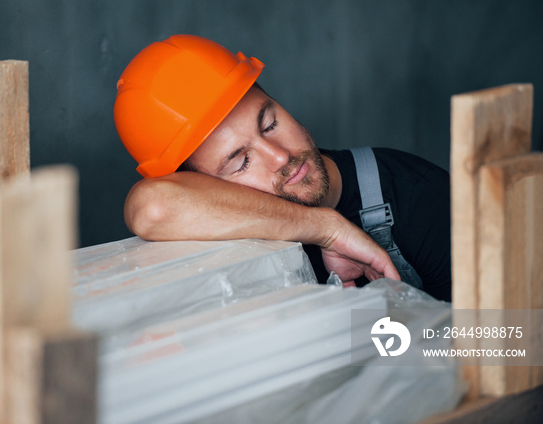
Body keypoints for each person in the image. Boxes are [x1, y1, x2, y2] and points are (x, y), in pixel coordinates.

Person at [114, 34, 451, 301]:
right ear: (194, 184)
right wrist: (327, 229)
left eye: (270, 123)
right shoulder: (200, 234)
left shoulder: (420, 195)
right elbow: (154, 206)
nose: (278, 157)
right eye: (242, 161)